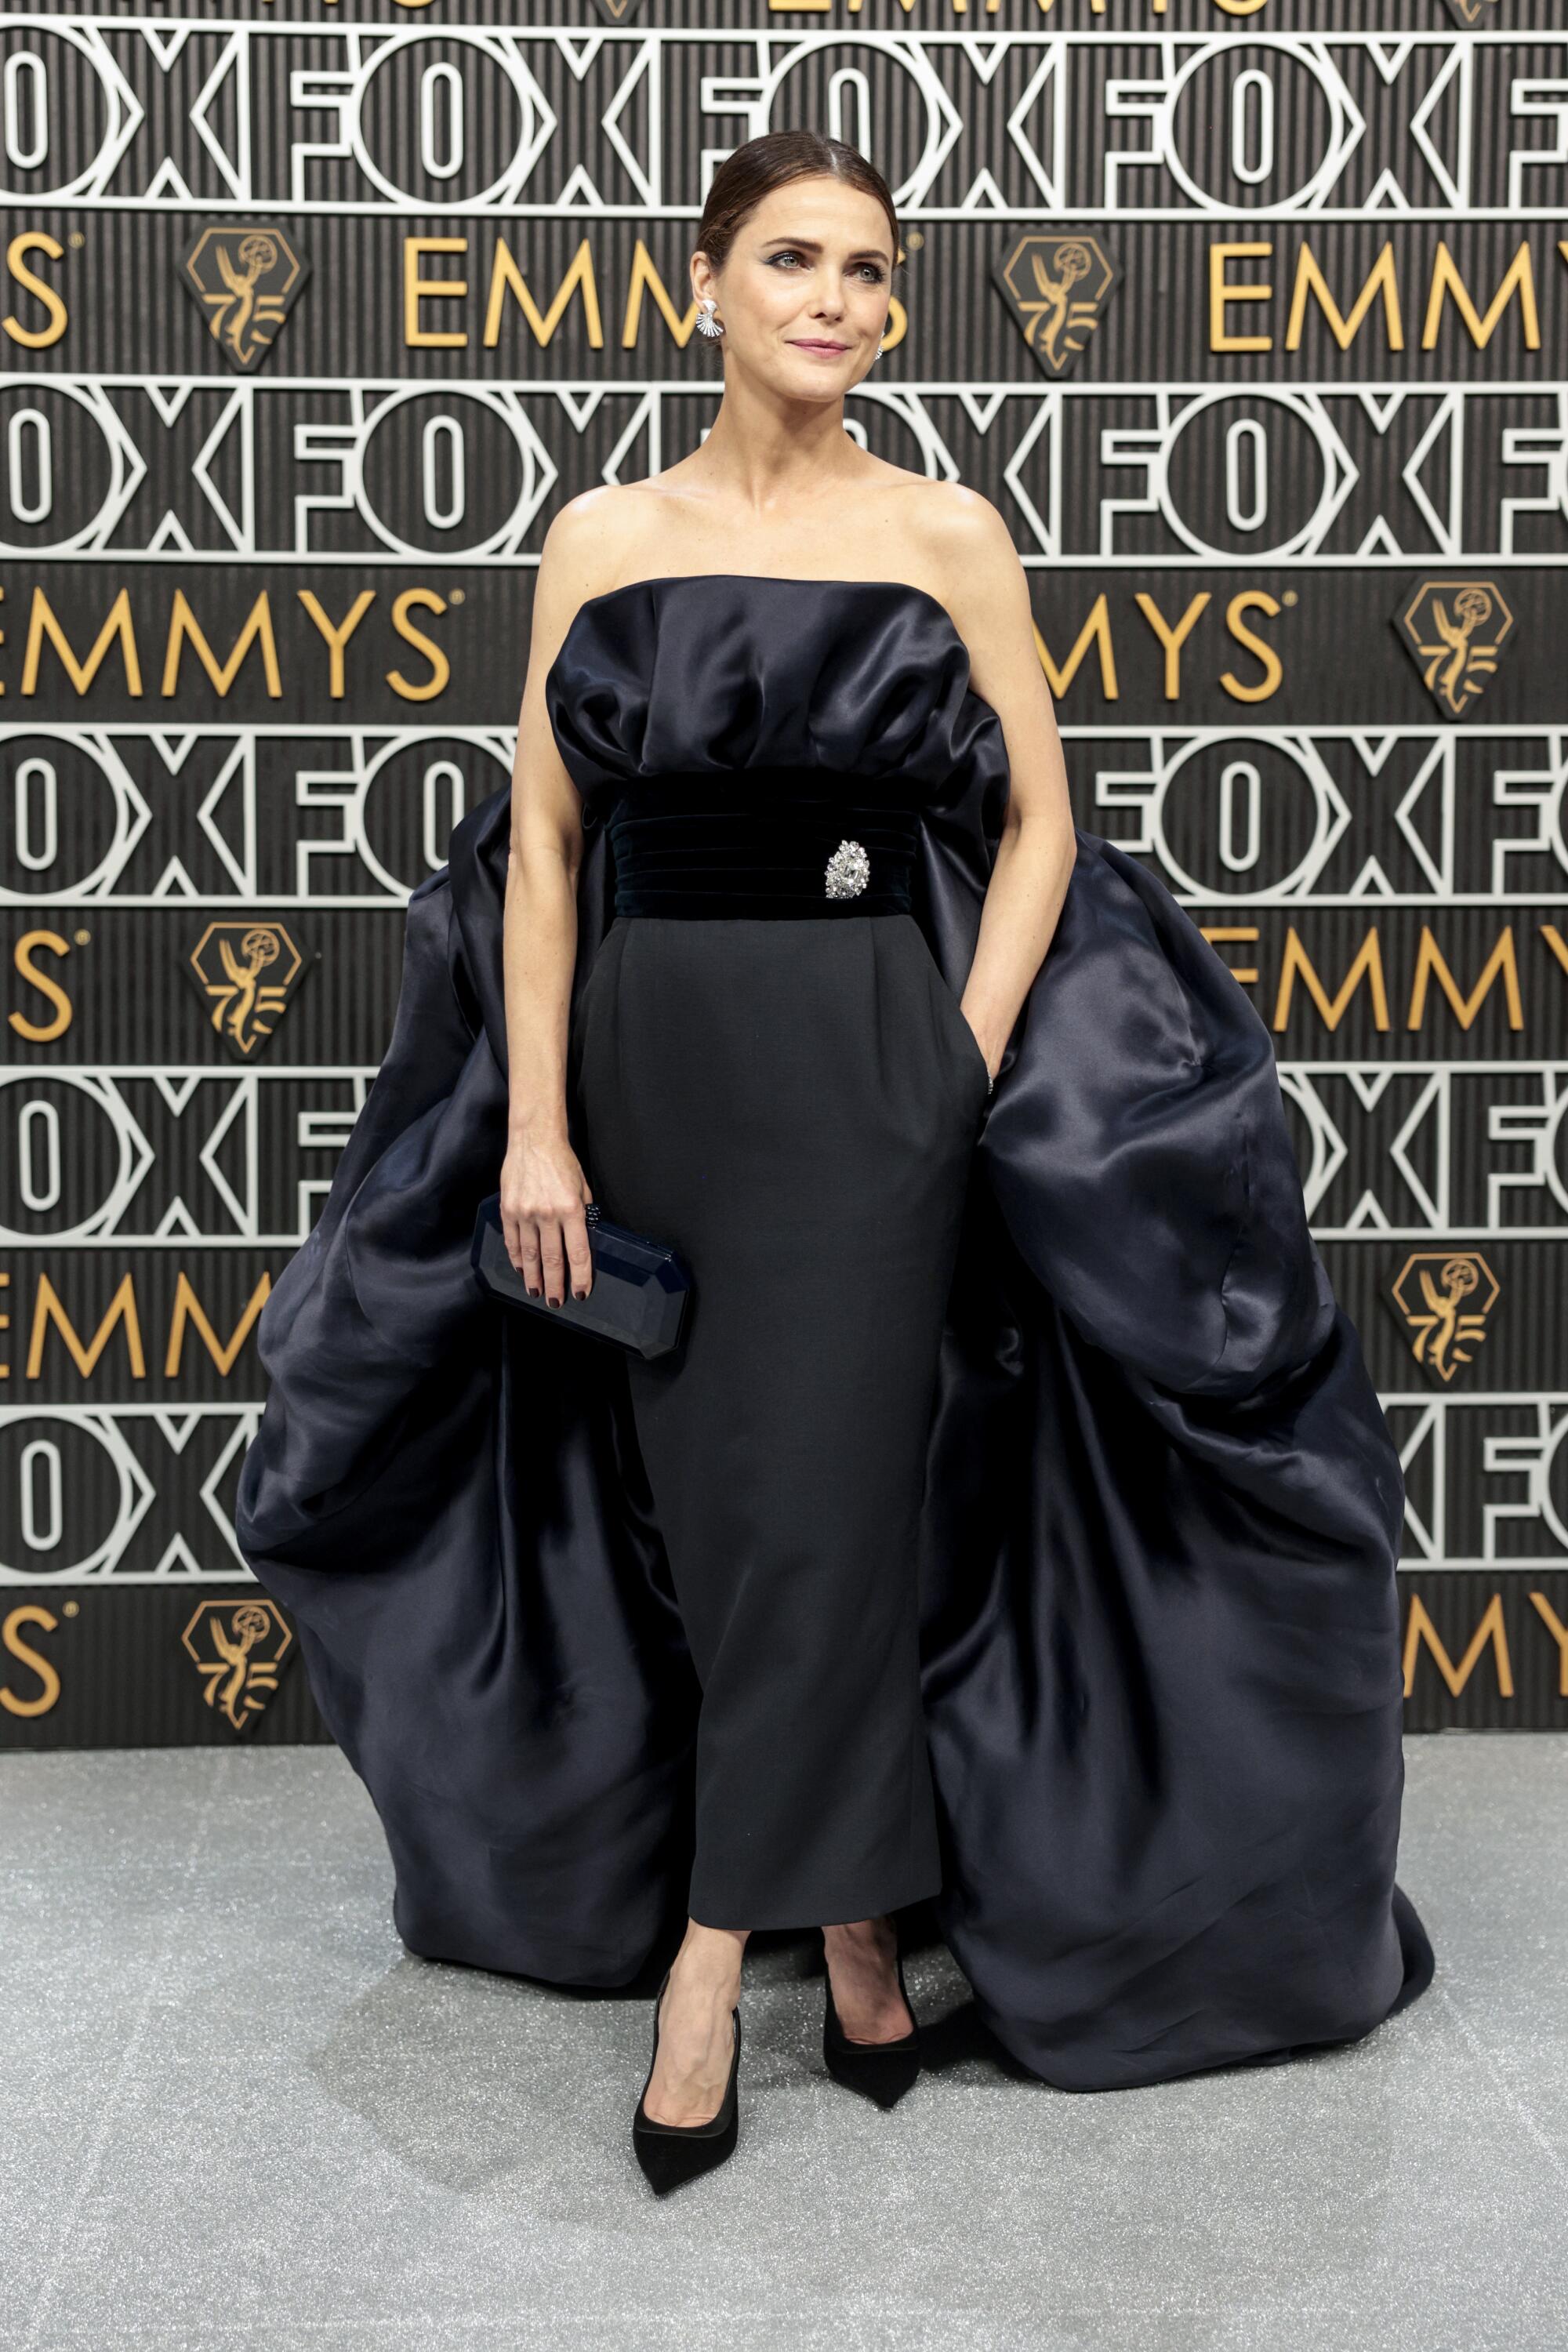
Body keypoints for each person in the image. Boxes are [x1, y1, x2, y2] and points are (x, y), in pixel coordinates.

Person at [235, 131, 1432, 2196]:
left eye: (867, 270)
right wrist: (533, 1115)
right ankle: (862, 1933)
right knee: (719, 1511)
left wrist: (955, 1066)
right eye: (791, 258)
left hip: (872, 1058)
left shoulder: (947, 530)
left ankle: (716, 1963)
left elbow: (1046, 821)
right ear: (701, 280)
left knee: (833, 1491)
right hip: (651, 1055)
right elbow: (543, 846)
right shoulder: (600, 532)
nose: (834, 299)